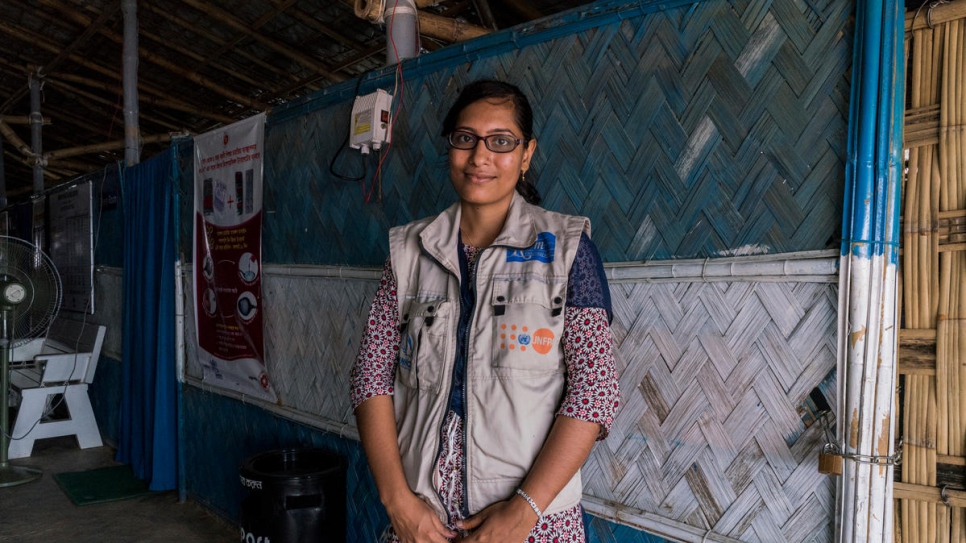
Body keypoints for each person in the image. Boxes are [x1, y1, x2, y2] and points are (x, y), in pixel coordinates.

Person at [350, 79, 620, 543]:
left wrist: (523, 512)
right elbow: (370, 376)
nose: (480, 157)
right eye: (465, 139)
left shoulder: (568, 252)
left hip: (532, 525)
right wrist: (398, 502)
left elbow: (594, 393)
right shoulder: (409, 253)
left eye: (500, 142)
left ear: (526, 153)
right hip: (421, 521)